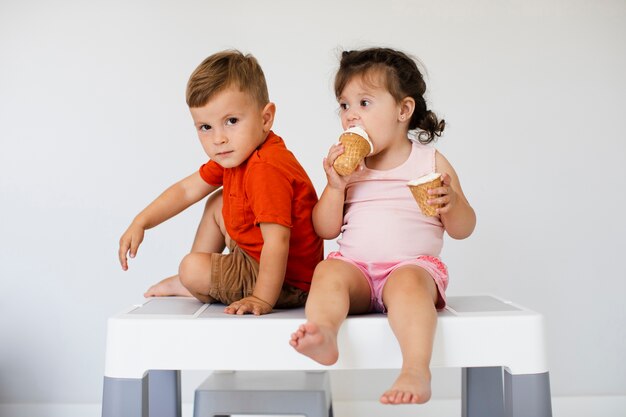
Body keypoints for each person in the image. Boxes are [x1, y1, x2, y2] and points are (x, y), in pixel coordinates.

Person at [289, 47, 476, 404]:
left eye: (364, 103)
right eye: (344, 105)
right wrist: (334, 186)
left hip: (410, 269)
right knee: (328, 272)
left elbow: (464, 228)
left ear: (403, 111)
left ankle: (415, 369)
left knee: (407, 283)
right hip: (356, 271)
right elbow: (324, 229)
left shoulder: (429, 161)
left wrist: (452, 205)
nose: (350, 117)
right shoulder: (349, 167)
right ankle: (324, 333)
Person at [118, 50, 323, 315]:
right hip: (258, 254)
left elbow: (277, 242)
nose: (219, 139)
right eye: (205, 127)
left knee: (190, 268)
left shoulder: (265, 167)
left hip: (287, 280)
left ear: (265, 118)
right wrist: (141, 221)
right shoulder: (238, 153)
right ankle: (195, 280)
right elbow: (186, 190)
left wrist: (262, 299)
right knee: (218, 201)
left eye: (232, 121)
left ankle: (193, 280)